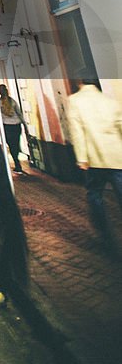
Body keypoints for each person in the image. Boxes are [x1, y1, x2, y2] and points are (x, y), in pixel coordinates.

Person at [67, 78, 122, 248]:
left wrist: (81, 158)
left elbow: (77, 132)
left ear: (79, 82)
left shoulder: (74, 101)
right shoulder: (109, 101)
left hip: (94, 158)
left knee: (95, 194)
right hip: (116, 156)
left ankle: (104, 233)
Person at [0, 84, 27, 173]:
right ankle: (17, 163)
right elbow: (19, 113)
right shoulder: (12, 101)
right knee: (16, 144)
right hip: (17, 125)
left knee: (11, 145)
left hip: (7, 125)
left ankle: (17, 163)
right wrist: (25, 125)